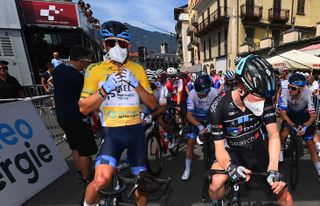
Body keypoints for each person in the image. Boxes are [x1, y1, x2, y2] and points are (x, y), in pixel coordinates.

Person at [79, 20, 157, 206]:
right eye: (110, 43)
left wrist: (136, 85)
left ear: (128, 46)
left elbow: (152, 103)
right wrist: (104, 90)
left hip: (135, 133)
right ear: (104, 44)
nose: (116, 47)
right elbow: (83, 108)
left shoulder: (137, 69)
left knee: (141, 185)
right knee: (100, 181)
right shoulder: (94, 70)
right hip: (112, 134)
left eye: (121, 43)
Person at [208, 54, 293, 206]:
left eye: (264, 98)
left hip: (258, 150)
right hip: (232, 151)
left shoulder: (265, 99)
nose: (262, 102)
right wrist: (229, 167)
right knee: (216, 182)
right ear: (242, 88)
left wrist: (273, 168)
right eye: (258, 97)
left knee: (285, 196)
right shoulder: (218, 107)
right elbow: (219, 149)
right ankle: (217, 202)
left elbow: (274, 135)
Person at [52, 45, 97, 183]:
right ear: (82, 60)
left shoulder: (58, 70)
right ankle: (86, 179)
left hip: (62, 115)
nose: (88, 65)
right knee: (85, 150)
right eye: (88, 61)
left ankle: (80, 173)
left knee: (74, 146)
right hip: (78, 117)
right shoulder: (77, 77)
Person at [279, 73, 320, 179]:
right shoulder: (285, 93)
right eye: (289, 87)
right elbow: (282, 113)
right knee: (284, 134)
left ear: (301, 89)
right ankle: (281, 148)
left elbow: (313, 115)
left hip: (304, 118)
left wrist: (305, 127)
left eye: (293, 88)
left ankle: (319, 171)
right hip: (291, 117)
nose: (290, 90)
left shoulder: (308, 94)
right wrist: (293, 125)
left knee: (310, 144)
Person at [181, 74, 219, 180]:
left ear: (208, 89)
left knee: (217, 142)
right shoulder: (192, 94)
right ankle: (187, 169)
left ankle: (216, 163)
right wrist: (199, 126)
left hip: (211, 118)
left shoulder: (215, 92)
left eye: (202, 93)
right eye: (198, 93)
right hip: (196, 120)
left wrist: (212, 124)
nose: (200, 95)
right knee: (190, 142)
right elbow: (189, 115)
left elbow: (219, 112)